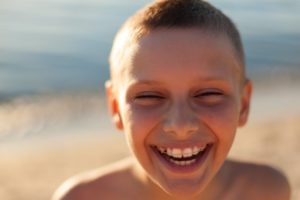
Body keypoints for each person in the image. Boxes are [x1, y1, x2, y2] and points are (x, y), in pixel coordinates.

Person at [52, 0, 291, 199]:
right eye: (149, 96)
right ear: (115, 108)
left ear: (244, 104)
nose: (180, 125)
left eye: (209, 94)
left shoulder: (267, 190)